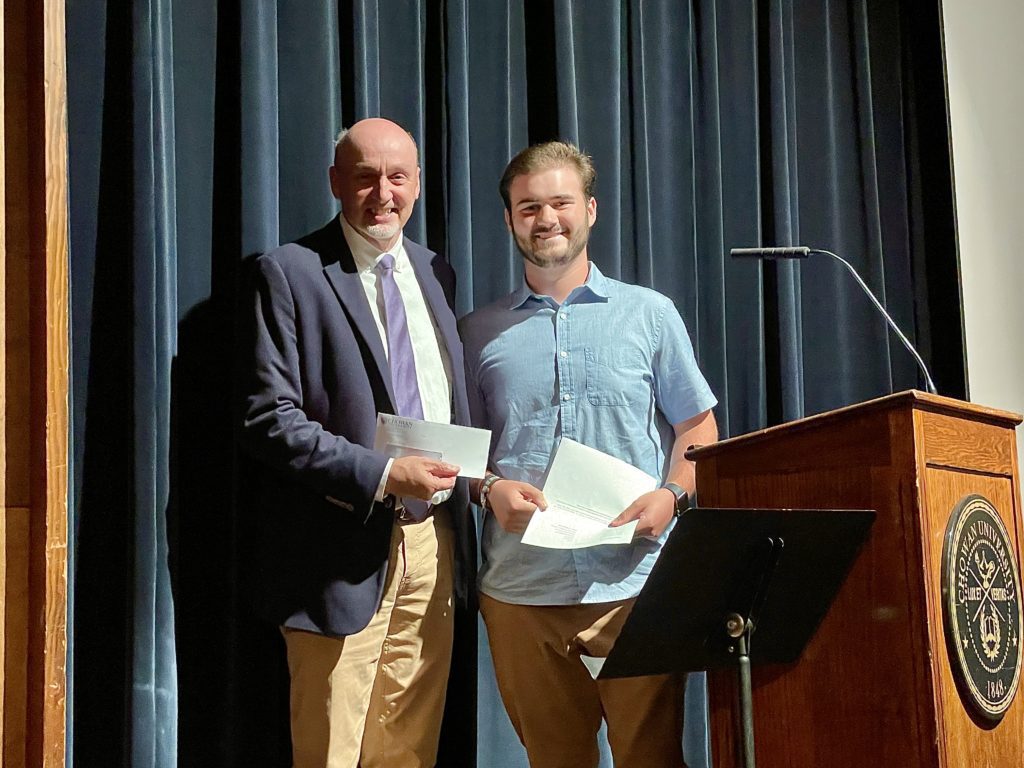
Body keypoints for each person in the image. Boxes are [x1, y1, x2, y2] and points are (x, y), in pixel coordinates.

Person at [459, 141, 718, 768]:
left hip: (631, 586)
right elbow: (461, 453)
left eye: (560, 203)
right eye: (529, 207)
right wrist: (487, 487)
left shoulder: (650, 315)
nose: (546, 219)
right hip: (521, 593)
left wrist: (674, 495)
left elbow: (699, 427)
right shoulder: (475, 333)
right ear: (509, 219)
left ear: (591, 210)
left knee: (652, 760)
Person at [239, 117, 474, 768]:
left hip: (433, 548)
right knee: (330, 754)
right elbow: (269, 419)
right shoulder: (289, 272)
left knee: (409, 753)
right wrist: (385, 475)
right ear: (336, 182)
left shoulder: (435, 272)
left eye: (398, 177)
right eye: (365, 177)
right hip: (335, 557)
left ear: (419, 184)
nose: (383, 193)